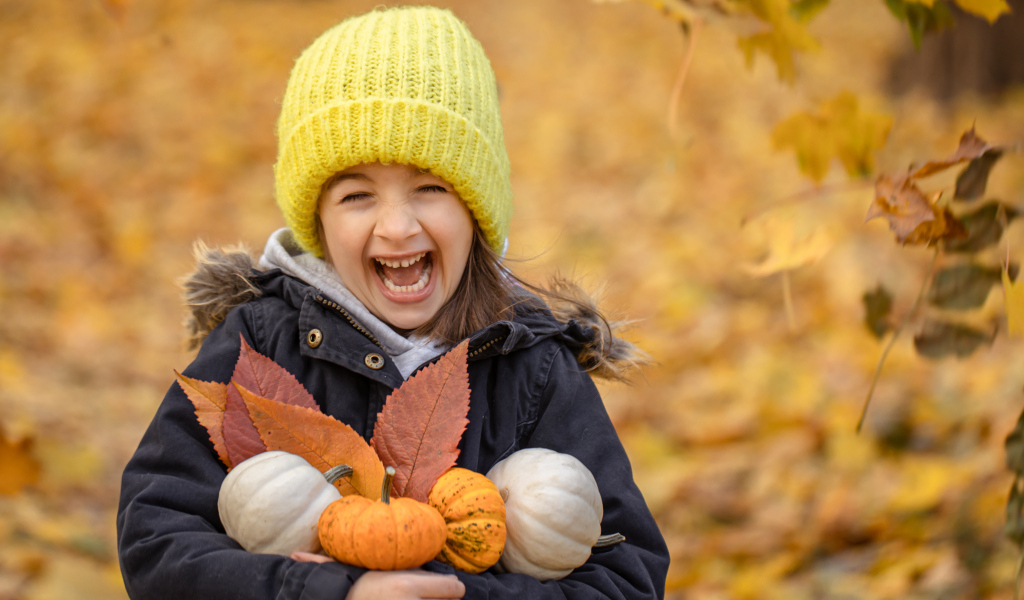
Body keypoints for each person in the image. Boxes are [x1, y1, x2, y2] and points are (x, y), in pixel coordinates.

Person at [116, 5, 670, 599]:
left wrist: (454, 595)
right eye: (357, 195)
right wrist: (329, 592)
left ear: (476, 208)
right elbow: (156, 540)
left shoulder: (531, 368)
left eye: (430, 188)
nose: (398, 227)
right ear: (319, 225)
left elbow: (624, 577)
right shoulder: (261, 346)